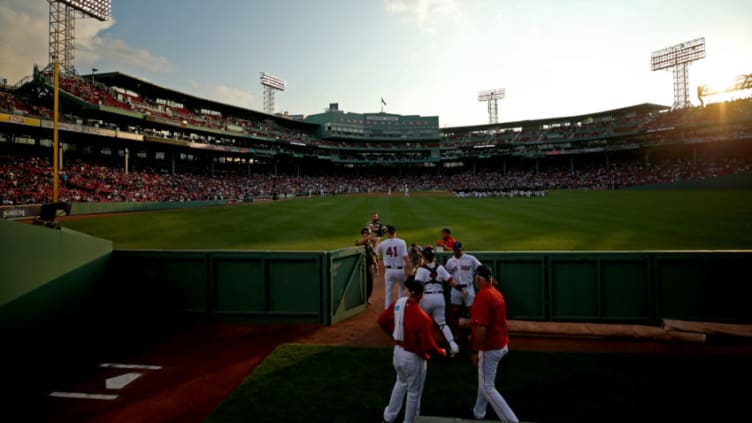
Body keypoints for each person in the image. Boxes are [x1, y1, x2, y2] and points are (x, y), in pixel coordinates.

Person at [378, 276, 446, 423]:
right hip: (413, 358)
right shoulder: (423, 318)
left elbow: (381, 320)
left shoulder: (398, 303)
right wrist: (441, 352)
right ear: (421, 294)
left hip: (397, 353)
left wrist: (394, 335)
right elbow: (428, 346)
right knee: (413, 392)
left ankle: (388, 417)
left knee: (400, 382)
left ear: (409, 292)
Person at [469, 265, 519, 422]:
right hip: (501, 343)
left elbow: (482, 328)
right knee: (483, 381)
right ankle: (478, 412)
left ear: (478, 279)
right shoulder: (496, 293)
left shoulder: (483, 296)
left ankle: (511, 421)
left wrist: (475, 351)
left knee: (487, 388)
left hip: (490, 347)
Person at [414, 246, 460, 357]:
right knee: (443, 324)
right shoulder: (440, 268)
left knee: (421, 323)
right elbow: (451, 282)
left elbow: (417, 287)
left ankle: (421, 347)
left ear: (424, 257)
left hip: (426, 299)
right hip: (440, 298)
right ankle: (453, 346)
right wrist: (462, 290)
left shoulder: (421, 269)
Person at [444, 241, 482, 341]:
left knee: (473, 312)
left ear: (462, 249)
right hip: (456, 290)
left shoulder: (470, 259)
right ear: (453, 250)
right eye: (456, 249)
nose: (458, 251)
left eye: (459, 249)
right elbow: (446, 276)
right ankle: (456, 335)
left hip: (468, 288)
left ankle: (474, 334)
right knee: (454, 312)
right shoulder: (449, 262)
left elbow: (480, 268)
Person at [376, 225, 410, 309]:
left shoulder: (383, 243)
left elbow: (375, 253)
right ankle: (400, 309)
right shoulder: (402, 242)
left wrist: (376, 242)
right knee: (402, 290)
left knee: (388, 293)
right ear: (395, 232)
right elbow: (405, 257)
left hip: (389, 271)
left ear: (388, 233)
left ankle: (387, 311)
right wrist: (409, 269)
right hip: (400, 271)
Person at [356, 227, 378, 305]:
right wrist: (370, 236)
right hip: (362, 266)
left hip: (369, 266)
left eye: (368, 233)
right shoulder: (360, 242)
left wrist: (375, 265)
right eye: (366, 233)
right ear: (362, 234)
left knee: (370, 283)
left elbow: (373, 255)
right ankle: (362, 298)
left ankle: (368, 297)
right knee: (362, 283)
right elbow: (359, 242)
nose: (368, 235)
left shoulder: (369, 243)